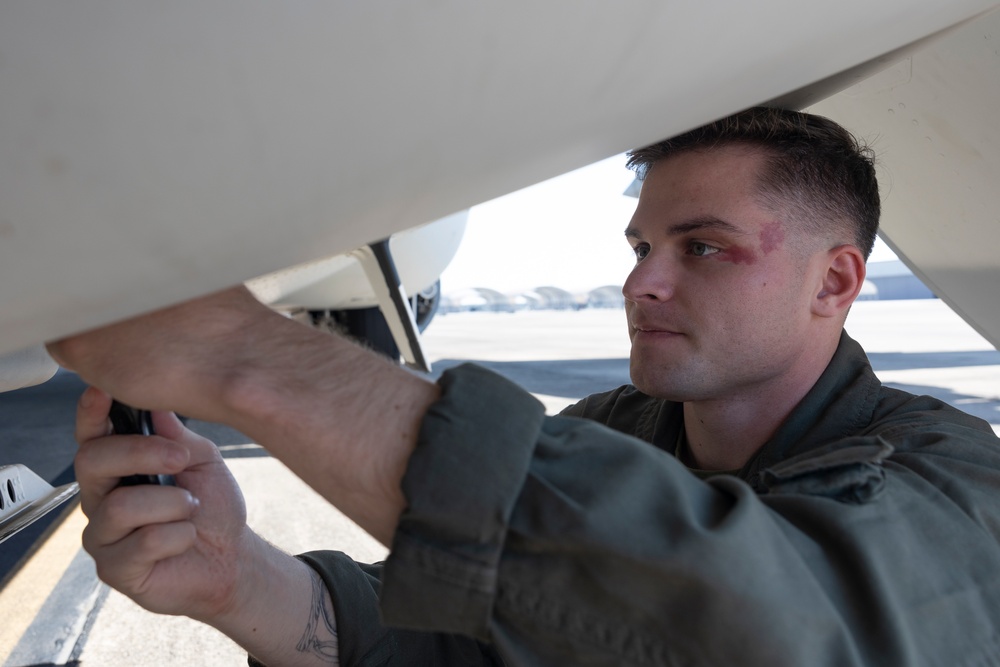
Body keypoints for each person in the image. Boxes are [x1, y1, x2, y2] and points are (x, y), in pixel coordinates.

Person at [49, 107, 1000, 666]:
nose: (641, 284)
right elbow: (463, 629)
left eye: (703, 247)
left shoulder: (951, 479)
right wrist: (236, 575)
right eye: (641, 247)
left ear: (833, 282)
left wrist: (245, 357)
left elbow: (765, 618)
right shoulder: (616, 430)